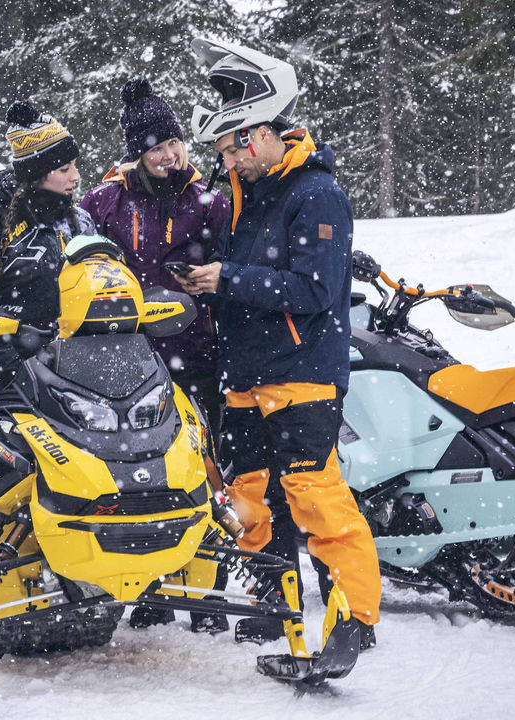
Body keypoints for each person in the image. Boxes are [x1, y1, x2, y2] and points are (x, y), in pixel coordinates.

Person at [177, 40, 381, 645]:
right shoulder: (252, 193)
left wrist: (228, 278)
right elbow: (253, 279)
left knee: (316, 498)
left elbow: (316, 289)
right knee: (247, 498)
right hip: (247, 374)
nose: (228, 162)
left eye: (231, 148)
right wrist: (203, 282)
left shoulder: (316, 193)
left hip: (301, 372)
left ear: (261, 135)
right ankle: (272, 603)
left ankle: (355, 621)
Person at [80, 77, 231, 633]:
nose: (169, 155)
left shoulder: (209, 200)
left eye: (173, 144)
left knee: (201, 469)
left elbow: (232, 265)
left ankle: (207, 591)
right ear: (136, 154)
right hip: (124, 360)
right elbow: (78, 262)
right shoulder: (104, 201)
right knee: (139, 477)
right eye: (155, 148)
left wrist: (210, 283)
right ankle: (151, 586)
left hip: (196, 352)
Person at [0, 100, 95, 421]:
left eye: (75, 166)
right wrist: (14, 358)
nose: (76, 176)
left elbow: (100, 286)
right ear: (36, 174)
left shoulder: (81, 221)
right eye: (65, 169)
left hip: (61, 363)